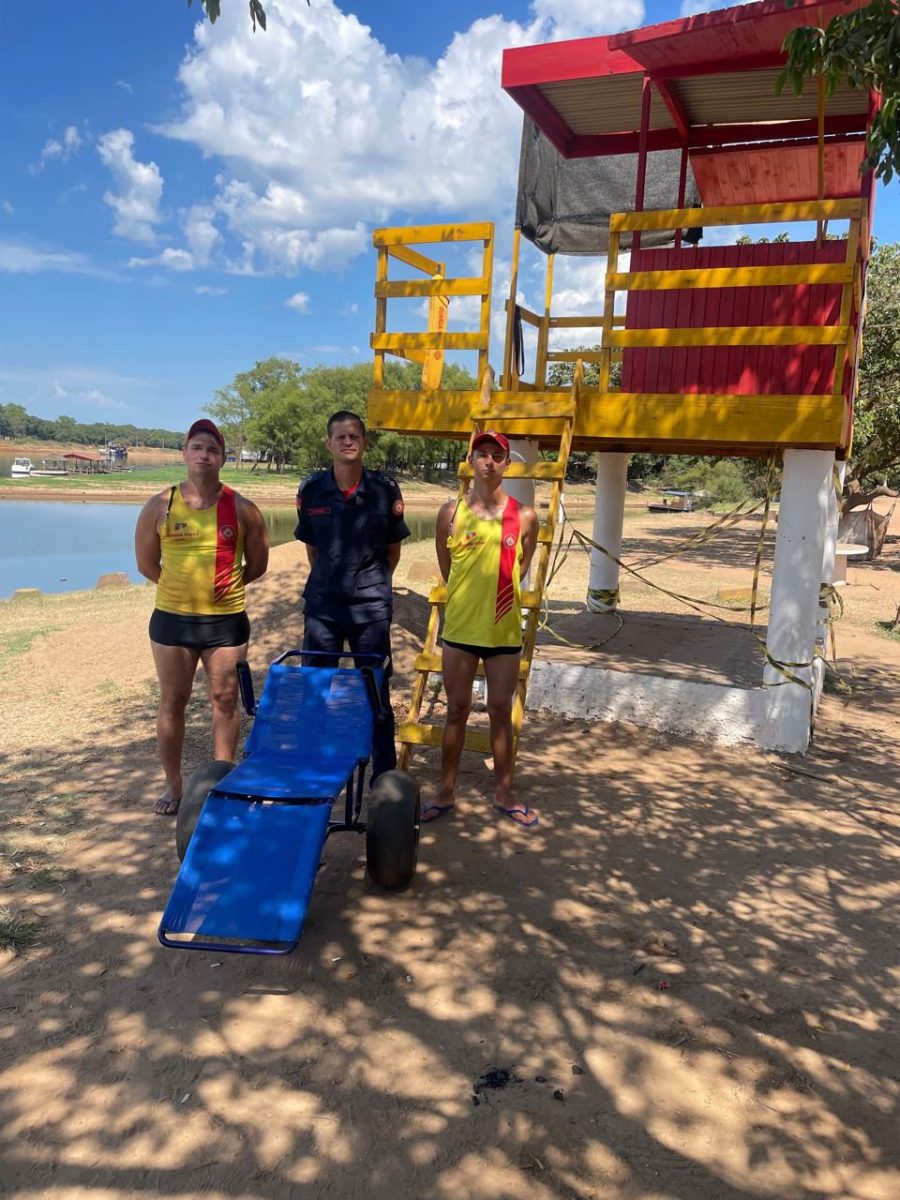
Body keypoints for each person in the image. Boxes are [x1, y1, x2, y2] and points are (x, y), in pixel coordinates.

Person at [135, 418, 269, 816]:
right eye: (197, 447)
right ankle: (174, 785)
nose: (204, 454)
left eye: (212, 449)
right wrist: (180, 591)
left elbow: (257, 564)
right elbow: (146, 564)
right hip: (172, 623)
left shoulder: (243, 508)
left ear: (222, 458)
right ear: (185, 453)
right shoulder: (161, 505)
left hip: (225, 623)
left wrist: (222, 590)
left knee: (225, 699)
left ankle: (221, 781)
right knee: (172, 702)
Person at [423, 430, 539, 828]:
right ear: (470, 460)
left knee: (500, 711)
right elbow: (447, 566)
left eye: (497, 455)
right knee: (455, 710)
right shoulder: (450, 514)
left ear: (508, 464)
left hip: (503, 634)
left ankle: (504, 793)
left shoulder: (524, 516)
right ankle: (446, 789)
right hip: (459, 630)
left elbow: (521, 568)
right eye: (482, 454)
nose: (489, 461)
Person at [295, 410, 410, 780]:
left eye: (355, 436)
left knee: (374, 693)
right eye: (340, 436)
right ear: (328, 443)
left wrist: (370, 585)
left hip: (370, 610)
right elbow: (314, 550)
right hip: (323, 609)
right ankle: (310, 770)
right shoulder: (311, 491)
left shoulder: (384, 490)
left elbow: (392, 552)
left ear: (364, 443)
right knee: (315, 689)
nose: (348, 441)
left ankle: (383, 778)